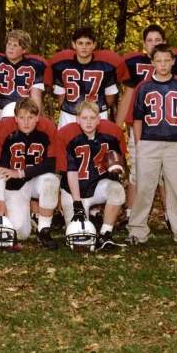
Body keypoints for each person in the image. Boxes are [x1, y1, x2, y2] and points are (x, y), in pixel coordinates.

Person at [115, 24, 177, 231]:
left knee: (170, 180)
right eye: (149, 41)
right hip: (144, 133)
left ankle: (173, 218)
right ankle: (132, 219)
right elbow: (129, 102)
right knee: (140, 177)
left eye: (158, 41)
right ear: (144, 45)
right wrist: (118, 130)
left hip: (173, 135)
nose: (154, 44)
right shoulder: (137, 69)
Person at [52, 101, 127, 251]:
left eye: (92, 118)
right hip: (74, 190)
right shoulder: (69, 137)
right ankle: (90, 218)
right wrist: (77, 203)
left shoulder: (110, 136)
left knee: (117, 190)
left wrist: (118, 169)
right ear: (77, 119)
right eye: (84, 117)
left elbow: (120, 165)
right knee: (79, 237)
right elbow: (71, 173)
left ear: (99, 119)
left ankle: (106, 234)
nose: (88, 121)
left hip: (96, 187)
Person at [0, 97, 59, 249]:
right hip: (15, 186)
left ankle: (44, 230)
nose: (26, 122)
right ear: (15, 118)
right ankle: (21, 219)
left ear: (37, 117)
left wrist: (21, 172)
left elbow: (51, 164)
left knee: (51, 181)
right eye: (22, 118)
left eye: (30, 117)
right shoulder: (3, 129)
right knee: (20, 233)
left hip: (36, 180)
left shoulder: (47, 129)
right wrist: (0, 203)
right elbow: (0, 169)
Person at [49, 26, 128, 128]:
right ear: (74, 44)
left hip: (97, 115)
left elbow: (110, 97)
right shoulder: (62, 65)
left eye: (88, 43)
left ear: (94, 45)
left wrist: (95, 111)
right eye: (80, 43)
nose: (84, 47)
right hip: (69, 116)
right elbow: (61, 98)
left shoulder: (106, 66)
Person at [0, 30, 51, 120]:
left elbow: (36, 98)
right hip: (0, 112)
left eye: (15, 45)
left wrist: (34, 118)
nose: (11, 48)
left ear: (25, 50)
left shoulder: (35, 65)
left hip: (25, 113)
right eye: (9, 44)